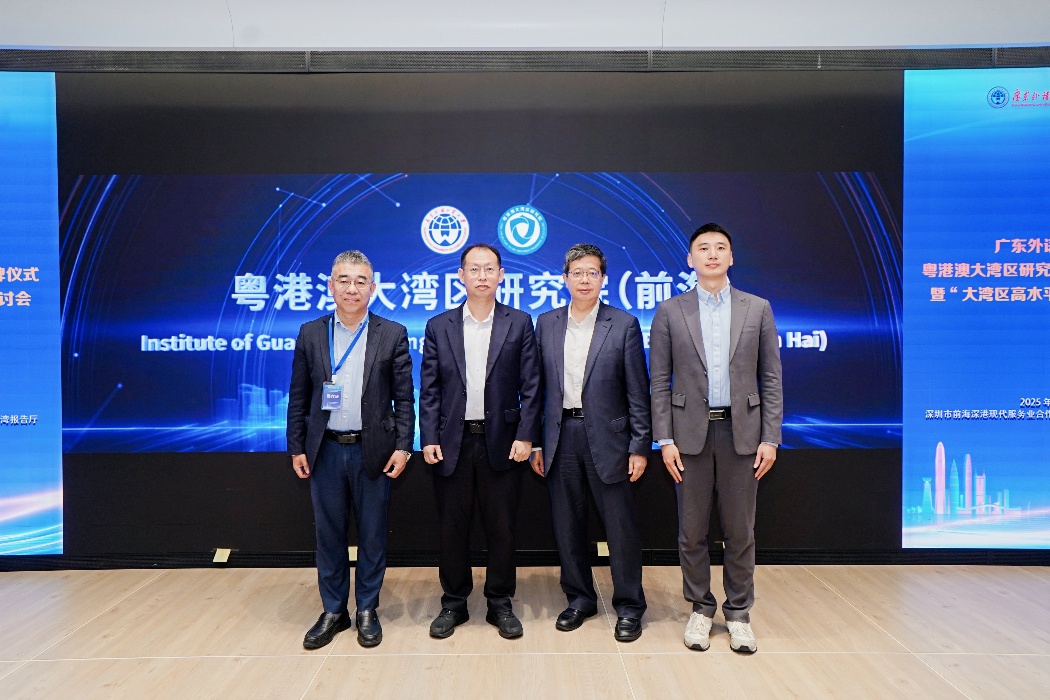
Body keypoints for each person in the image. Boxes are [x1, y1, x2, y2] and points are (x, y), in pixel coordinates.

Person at [649, 222, 783, 654]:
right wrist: (664, 438)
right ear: (690, 259)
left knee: (740, 531)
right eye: (703, 248)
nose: (712, 254)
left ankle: (739, 613)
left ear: (731, 257)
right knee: (691, 532)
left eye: (720, 247)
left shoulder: (757, 308)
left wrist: (770, 437)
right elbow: (659, 381)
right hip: (688, 435)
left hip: (742, 434)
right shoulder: (670, 311)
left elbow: (771, 378)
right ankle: (701, 608)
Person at [287, 250, 415, 650]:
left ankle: (367, 609)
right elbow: (299, 395)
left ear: (372, 288)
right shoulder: (311, 332)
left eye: (361, 281)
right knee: (329, 535)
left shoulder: (391, 333)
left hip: (372, 450)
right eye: (344, 280)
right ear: (330, 285)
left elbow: (404, 398)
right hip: (324, 450)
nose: (352, 288)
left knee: (373, 534)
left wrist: (404, 447)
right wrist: (296, 446)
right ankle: (333, 610)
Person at [419, 243, 541, 640]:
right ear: (461, 275)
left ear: (501, 275)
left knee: (502, 527)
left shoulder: (519, 322)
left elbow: (532, 386)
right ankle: (453, 603)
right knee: (451, 528)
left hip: (502, 442)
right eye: (474, 269)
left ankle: (500, 602)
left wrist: (526, 435)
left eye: (489, 269)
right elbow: (430, 389)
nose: (482, 276)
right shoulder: (439, 325)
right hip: (452, 442)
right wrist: (429, 436)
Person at [530, 243, 652, 642]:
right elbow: (535, 390)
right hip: (560, 436)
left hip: (611, 439)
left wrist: (639, 446)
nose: (585, 280)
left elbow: (638, 391)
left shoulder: (624, 324)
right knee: (568, 526)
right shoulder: (546, 323)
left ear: (603, 279)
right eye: (577, 273)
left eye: (592, 273)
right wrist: (535, 443)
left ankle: (629, 606)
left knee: (620, 528)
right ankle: (580, 598)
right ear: (565, 278)